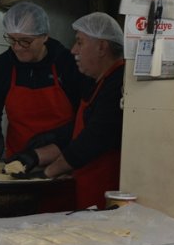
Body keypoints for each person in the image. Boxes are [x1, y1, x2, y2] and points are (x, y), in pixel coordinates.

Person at [8, 13, 125, 210]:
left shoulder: (118, 83)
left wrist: (46, 174)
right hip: (87, 187)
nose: (73, 50)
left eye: (79, 42)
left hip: (105, 194)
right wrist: (36, 156)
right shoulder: (97, 83)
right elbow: (78, 133)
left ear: (101, 47)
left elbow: (92, 140)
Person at [0, 2, 91, 161]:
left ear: (44, 36)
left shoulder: (68, 64)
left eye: (25, 41)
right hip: (18, 159)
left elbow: (86, 116)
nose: (17, 48)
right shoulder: (2, 67)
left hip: (64, 158)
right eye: (12, 40)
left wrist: (56, 136)